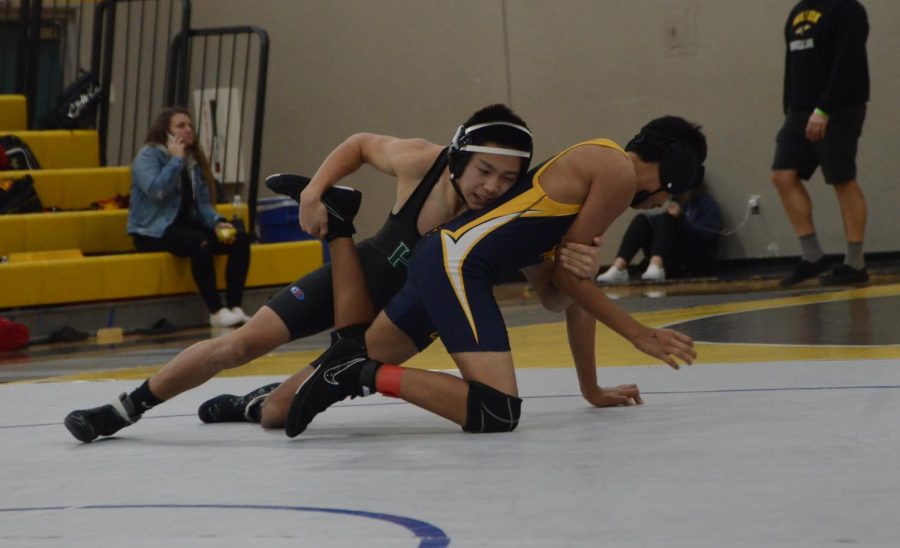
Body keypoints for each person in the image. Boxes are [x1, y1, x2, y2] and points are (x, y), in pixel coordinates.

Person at [62, 104, 603, 443]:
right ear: (459, 156)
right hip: (361, 273)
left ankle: (258, 400)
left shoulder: (509, 218)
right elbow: (361, 144)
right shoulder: (423, 161)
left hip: (402, 323)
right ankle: (126, 407)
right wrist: (316, 191)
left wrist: (570, 269)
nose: (492, 187)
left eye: (508, 179)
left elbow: (554, 301)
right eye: (485, 171)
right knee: (241, 343)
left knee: (279, 416)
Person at [275, 115, 706, 438]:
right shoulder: (618, 172)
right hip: (455, 264)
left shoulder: (590, 177)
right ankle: (360, 373)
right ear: (675, 171)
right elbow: (573, 286)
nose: (661, 204)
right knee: (496, 410)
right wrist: (638, 334)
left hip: (443, 261)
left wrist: (590, 388)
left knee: (293, 399)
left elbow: (564, 296)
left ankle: (266, 400)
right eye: (674, 191)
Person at [772, 0, 869, 287]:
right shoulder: (797, 13)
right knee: (783, 176)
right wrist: (791, 108)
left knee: (841, 179)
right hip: (800, 110)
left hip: (839, 107)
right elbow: (792, 67)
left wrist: (824, 109)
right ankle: (812, 256)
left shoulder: (847, 9)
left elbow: (848, 64)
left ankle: (855, 264)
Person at [126, 107, 251, 328]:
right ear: (166, 131)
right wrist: (175, 161)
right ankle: (215, 310)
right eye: (180, 126)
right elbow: (156, 191)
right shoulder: (148, 156)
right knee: (200, 244)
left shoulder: (192, 161)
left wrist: (217, 222)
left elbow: (202, 203)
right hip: (152, 230)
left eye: (190, 125)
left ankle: (234, 306)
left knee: (239, 238)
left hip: (183, 225)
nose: (188, 130)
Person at [596, 184, 722, 283]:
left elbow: (710, 234)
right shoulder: (677, 203)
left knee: (667, 219)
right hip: (675, 256)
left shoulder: (706, 204)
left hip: (697, 258)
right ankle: (619, 267)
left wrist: (681, 219)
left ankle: (656, 265)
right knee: (643, 220)